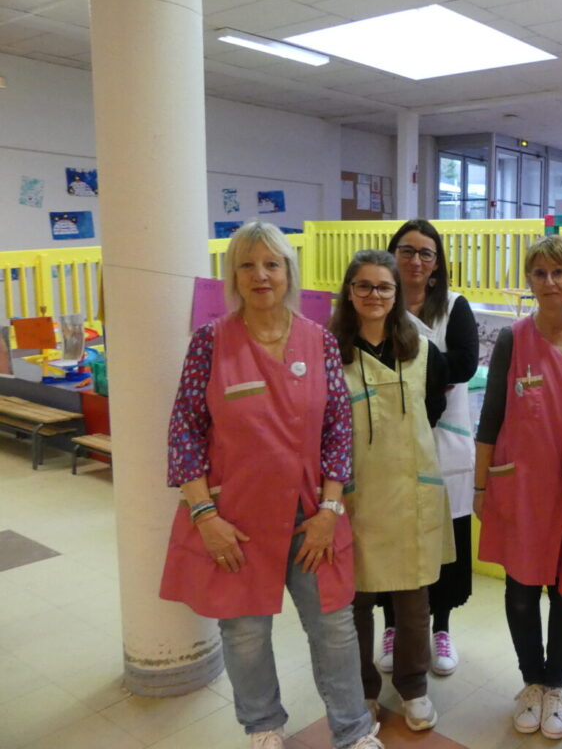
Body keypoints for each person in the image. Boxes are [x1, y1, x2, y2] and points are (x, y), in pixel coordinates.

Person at [160, 221, 381, 749]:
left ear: (288, 272)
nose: (260, 275)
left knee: (335, 628)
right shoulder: (210, 342)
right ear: (233, 276)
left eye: (271, 264)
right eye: (247, 265)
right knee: (245, 632)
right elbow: (185, 431)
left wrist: (329, 510)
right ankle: (263, 728)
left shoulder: (319, 340)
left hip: (312, 516)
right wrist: (204, 516)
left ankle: (353, 731)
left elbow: (338, 430)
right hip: (234, 518)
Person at [475, 235, 562, 740]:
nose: (549, 282)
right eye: (539, 273)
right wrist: (481, 487)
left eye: (559, 272)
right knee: (522, 590)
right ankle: (532, 682)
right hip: (522, 487)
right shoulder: (514, 339)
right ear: (529, 281)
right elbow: (491, 416)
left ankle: (557, 686)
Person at [329, 249, 454, 733]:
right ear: (349, 292)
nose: (374, 295)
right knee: (357, 600)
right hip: (355, 495)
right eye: (363, 285)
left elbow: (432, 409)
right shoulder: (330, 354)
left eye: (384, 286)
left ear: (397, 293)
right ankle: (362, 688)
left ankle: (413, 686)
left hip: (412, 490)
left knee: (413, 597)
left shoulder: (422, 352)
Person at [373, 219, 479, 677]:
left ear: (436, 264)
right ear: (392, 254)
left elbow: (465, 364)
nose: (416, 260)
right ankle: (392, 626)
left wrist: (415, 366)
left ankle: (441, 628)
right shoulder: (377, 302)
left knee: (444, 540)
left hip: (444, 442)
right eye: (407, 250)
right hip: (389, 440)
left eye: (426, 253)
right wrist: (433, 369)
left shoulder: (454, 307)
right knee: (392, 536)